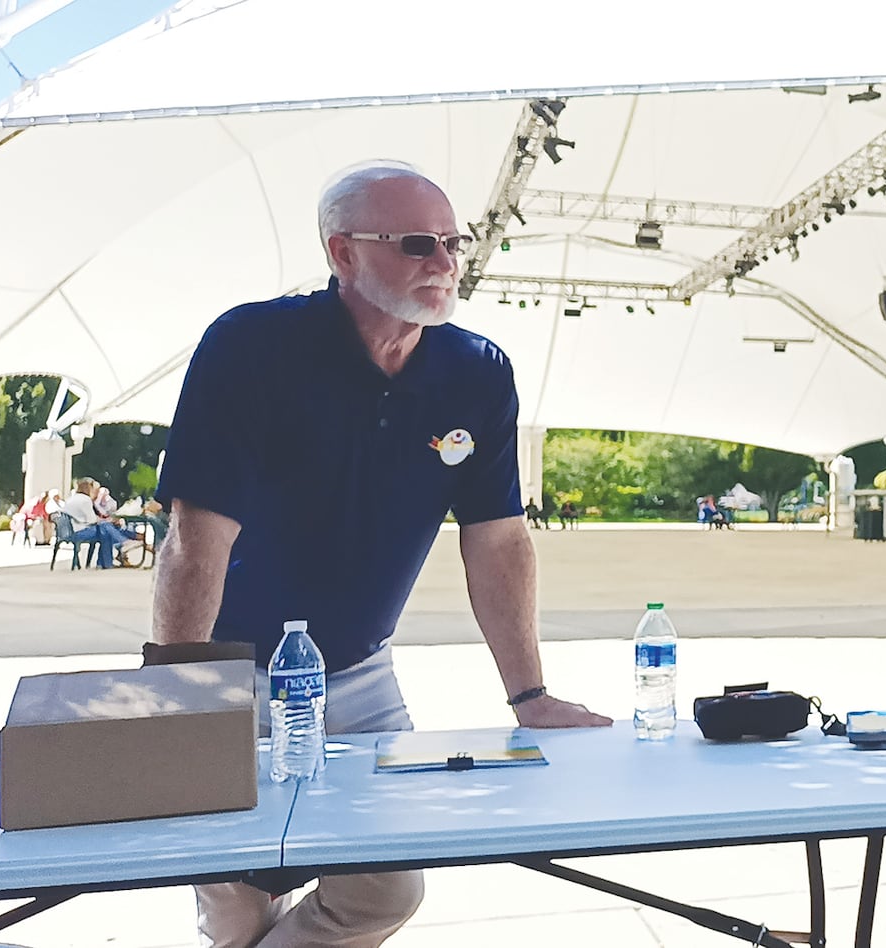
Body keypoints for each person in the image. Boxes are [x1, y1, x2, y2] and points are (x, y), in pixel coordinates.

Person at [151, 160, 613, 948]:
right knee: (235, 908)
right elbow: (199, 537)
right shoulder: (250, 346)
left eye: (453, 243)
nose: (445, 263)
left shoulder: (476, 371)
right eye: (416, 243)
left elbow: (497, 539)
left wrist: (529, 693)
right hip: (228, 679)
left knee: (386, 888)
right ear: (343, 253)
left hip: (362, 676)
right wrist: (180, 695)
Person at [59, 478, 140, 568]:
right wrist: (108, 521)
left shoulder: (72, 498)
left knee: (105, 529)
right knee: (105, 528)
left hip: (70, 531)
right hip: (78, 532)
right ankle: (121, 545)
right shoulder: (85, 500)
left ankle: (106, 562)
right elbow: (92, 520)